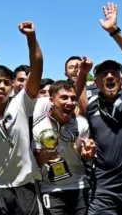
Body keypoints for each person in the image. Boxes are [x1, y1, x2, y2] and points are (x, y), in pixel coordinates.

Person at [0, 21, 43, 215]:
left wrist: (31, 39)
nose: (2, 86)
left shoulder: (21, 103)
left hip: (25, 186)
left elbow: (37, 68)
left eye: (6, 82)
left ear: (13, 86)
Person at [87, 3, 122, 215]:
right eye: (103, 73)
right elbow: (82, 137)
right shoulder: (90, 107)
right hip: (104, 191)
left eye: (114, 72)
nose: (109, 76)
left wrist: (114, 31)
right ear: (95, 81)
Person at [33, 80, 96, 215]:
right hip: (51, 189)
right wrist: (40, 159)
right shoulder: (38, 127)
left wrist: (88, 156)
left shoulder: (82, 124)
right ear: (51, 100)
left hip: (79, 186)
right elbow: (33, 165)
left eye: (73, 98)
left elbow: (86, 156)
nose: (69, 102)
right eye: (64, 97)